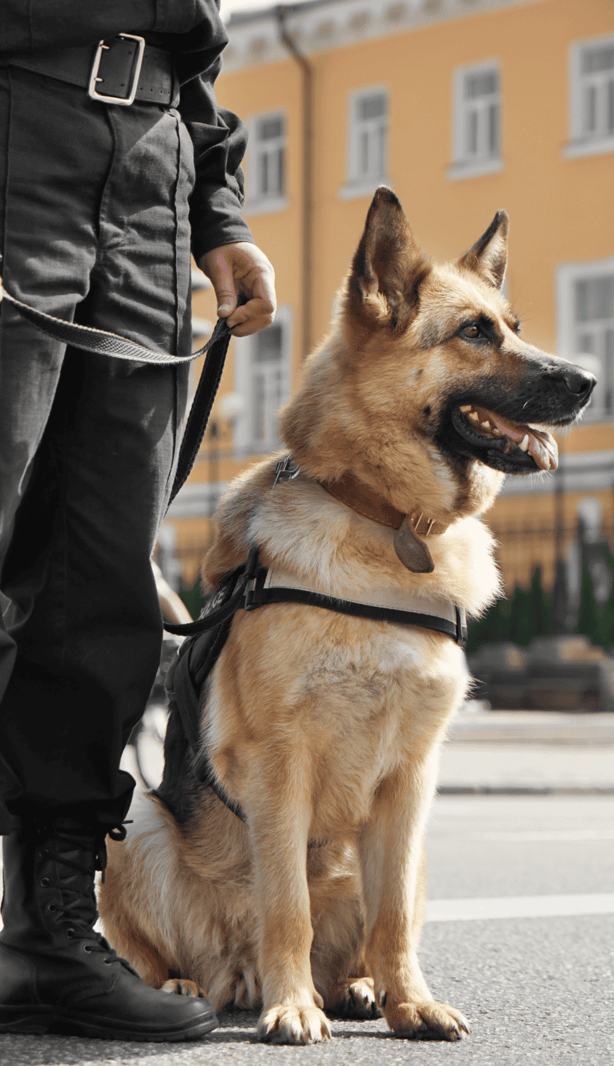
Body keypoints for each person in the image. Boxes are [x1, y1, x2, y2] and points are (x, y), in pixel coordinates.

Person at [0, 2, 276, 1042]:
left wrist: (217, 213)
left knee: (101, 578)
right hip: (15, 124)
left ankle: (46, 935)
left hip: (151, 175)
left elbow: (194, 52)